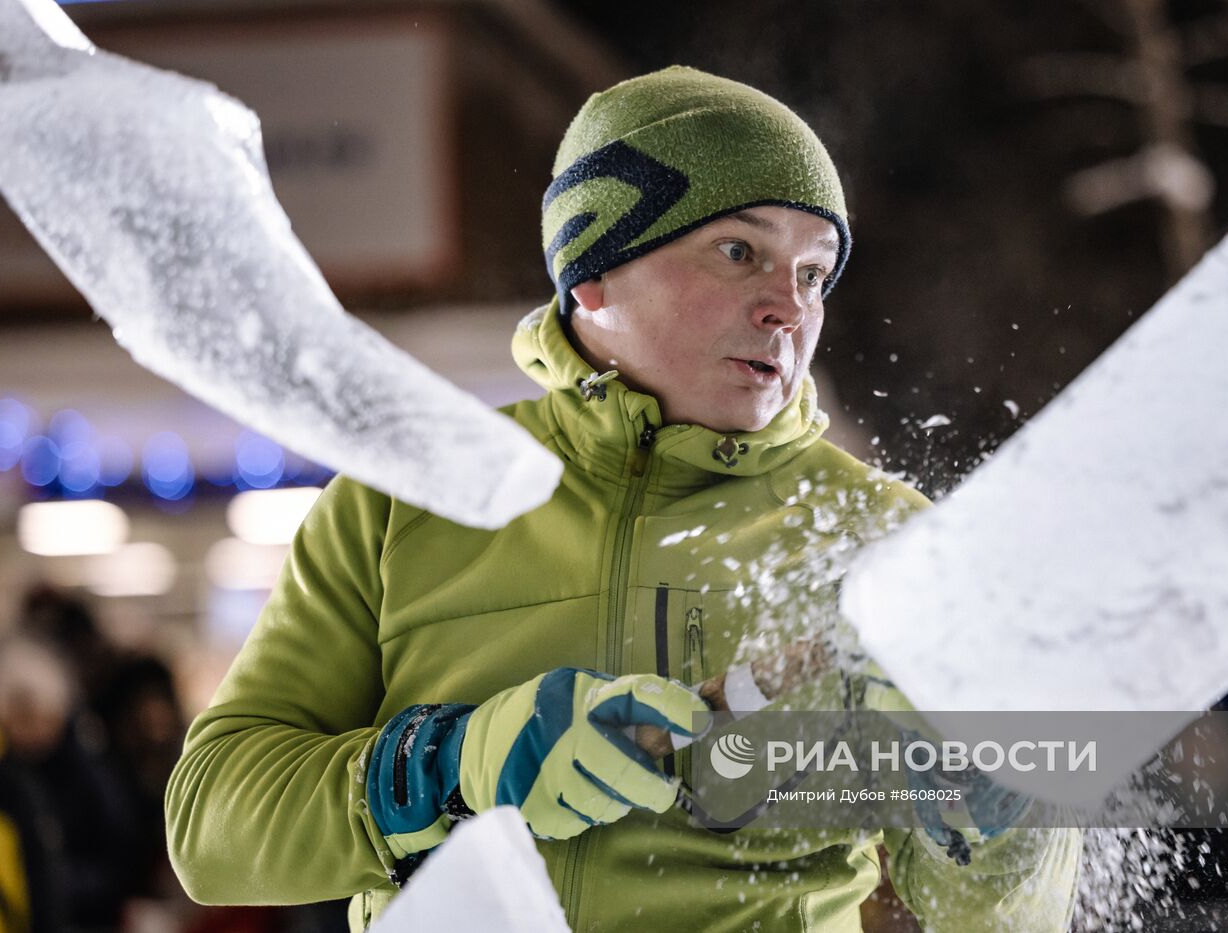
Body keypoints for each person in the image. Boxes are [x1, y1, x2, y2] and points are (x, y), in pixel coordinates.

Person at [166, 66, 1080, 931]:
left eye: (813, 273)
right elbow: (212, 829)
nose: (788, 309)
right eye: (739, 251)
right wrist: (458, 765)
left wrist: (995, 794)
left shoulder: (879, 540)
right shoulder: (410, 501)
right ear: (595, 269)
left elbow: (1004, 916)